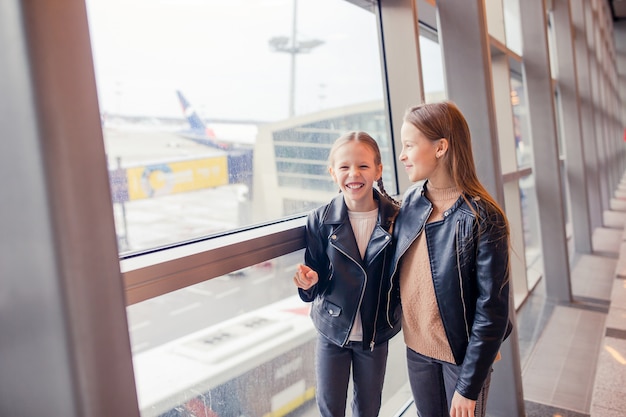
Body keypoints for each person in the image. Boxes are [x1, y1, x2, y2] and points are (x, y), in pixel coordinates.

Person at [390, 101, 513, 417]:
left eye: (409, 145)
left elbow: (492, 310)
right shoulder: (410, 204)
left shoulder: (483, 216)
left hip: (462, 358)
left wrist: (469, 386)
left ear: (441, 147)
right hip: (418, 352)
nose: (402, 155)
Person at [293, 131, 402, 417]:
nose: (353, 174)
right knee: (330, 408)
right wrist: (308, 282)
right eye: (344, 167)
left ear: (378, 170)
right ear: (332, 172)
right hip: (332, 331)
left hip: (374, 331)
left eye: (363, 166)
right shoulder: (320, 219)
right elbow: (314, 275)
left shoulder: (396, 219)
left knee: (368, 408)